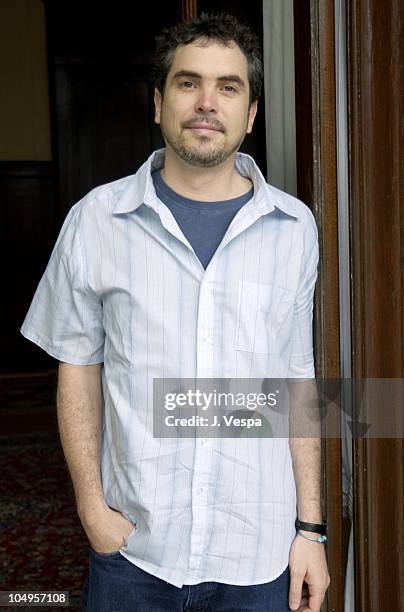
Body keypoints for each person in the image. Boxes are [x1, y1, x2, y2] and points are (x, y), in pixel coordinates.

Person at [21, 11, 330, 612]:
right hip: (134, 555)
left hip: (258, 555)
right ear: (159, 103)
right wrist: (91, 506)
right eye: (189, 83)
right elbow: (77, 367)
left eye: (229, 86)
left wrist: (309, 529)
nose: (207, 102)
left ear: (252, 114)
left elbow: (296, 380)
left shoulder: (294, 229)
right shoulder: (95, 220)